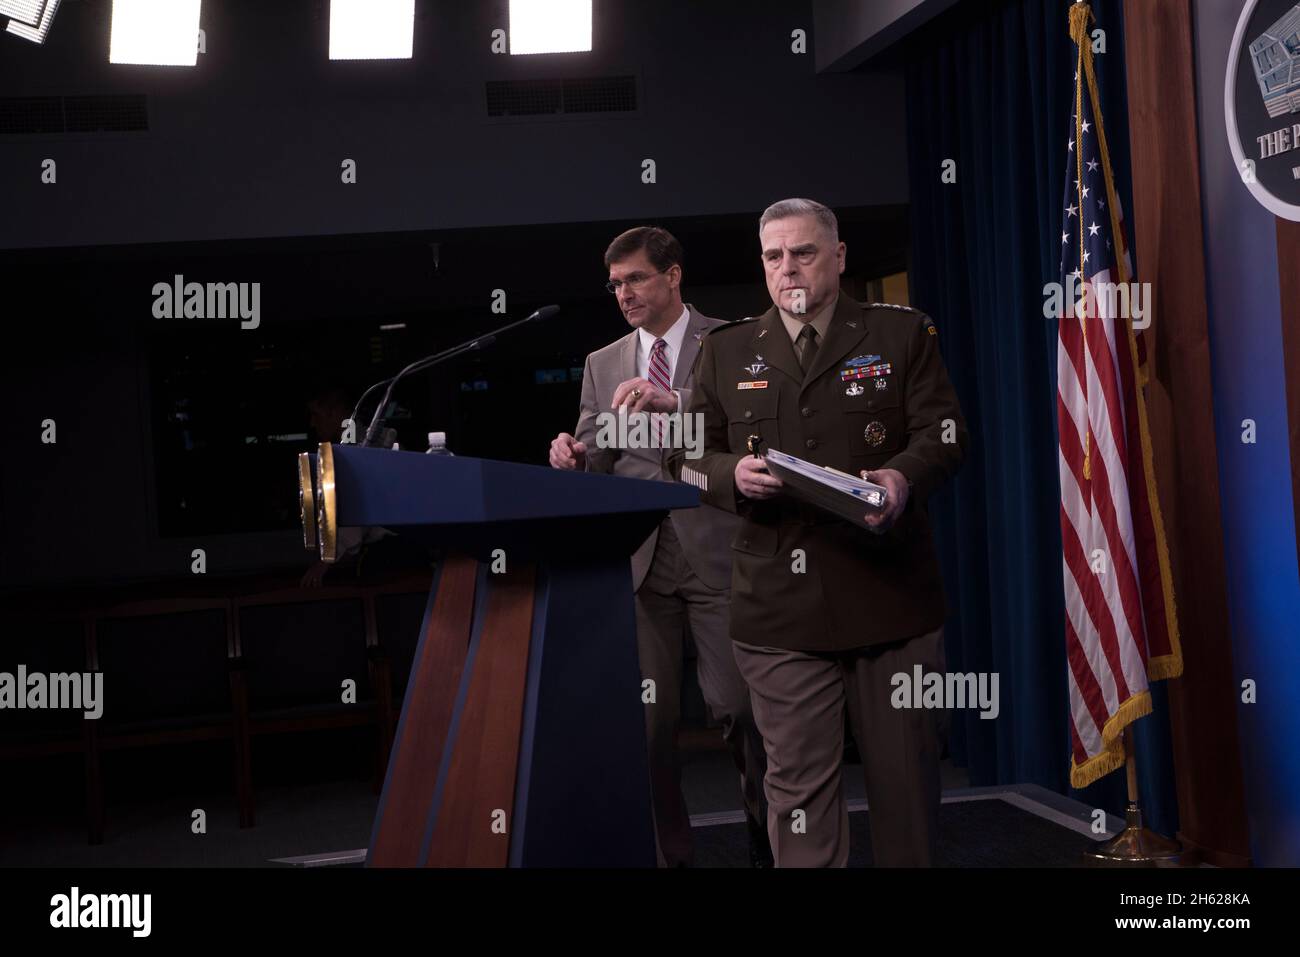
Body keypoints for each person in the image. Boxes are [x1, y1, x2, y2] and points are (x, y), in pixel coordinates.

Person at [668, 199, 968, 867]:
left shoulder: (901, 334)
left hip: (891, 598)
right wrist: (729, 474)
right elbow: (683, 452)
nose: (787, 268)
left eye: (802, 252)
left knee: (907, 791)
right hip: (779, 611)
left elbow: (945, 434)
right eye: (774, 256)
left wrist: (899, 477)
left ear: (837, 257)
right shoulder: (727, 350)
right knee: (797, 792)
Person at [549, 226, 770, 867]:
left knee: (742, 710)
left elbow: (751, 434)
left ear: (673, 276)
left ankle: (768, 843)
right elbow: (599, 468)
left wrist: (673, 405)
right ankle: (670, 856)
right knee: (648, 727)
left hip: (719, 554)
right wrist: (575, 456)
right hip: (641, 563)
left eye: (636, 279)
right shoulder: (603, 362)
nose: (625, 294)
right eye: (616, 285)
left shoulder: (733, 341)